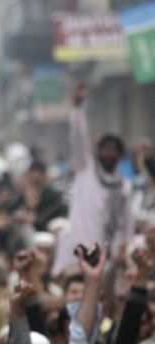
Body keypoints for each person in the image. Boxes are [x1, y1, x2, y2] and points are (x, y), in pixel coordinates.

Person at [53, 84, 132, 275]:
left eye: (114, 150)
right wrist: (78, 109)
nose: (109, 153)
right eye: (105, 148)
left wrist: (122, 247)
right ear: (98, 151)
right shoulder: (85, 169)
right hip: (75, 248)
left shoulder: (123, 187)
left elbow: (126, 223)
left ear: (120, 155)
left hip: (105, 255)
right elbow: (78, 138)